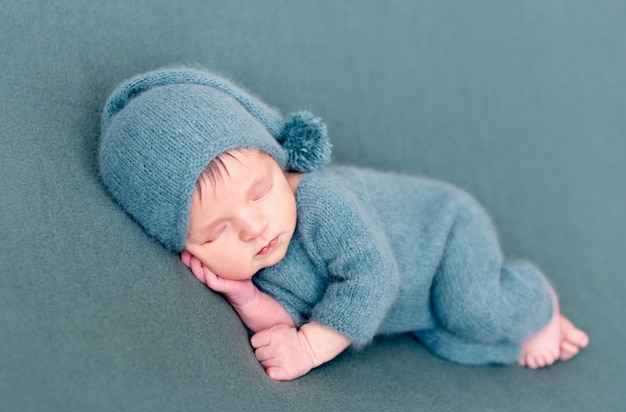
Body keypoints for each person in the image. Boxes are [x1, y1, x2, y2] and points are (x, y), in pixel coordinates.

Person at [99, 67, 588, 380]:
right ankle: (521, 330)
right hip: (410, 304)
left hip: (442, 236)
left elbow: (375, 278)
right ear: (184, 246)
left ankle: (538, 306)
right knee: (452, 339)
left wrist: (309, 349)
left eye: (260, 190)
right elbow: (289, 319)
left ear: (280, 163)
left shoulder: (319, 202)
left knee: (473, 306)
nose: (252, 226)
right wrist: (246, 297)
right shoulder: (260, 261)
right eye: (216, 231)